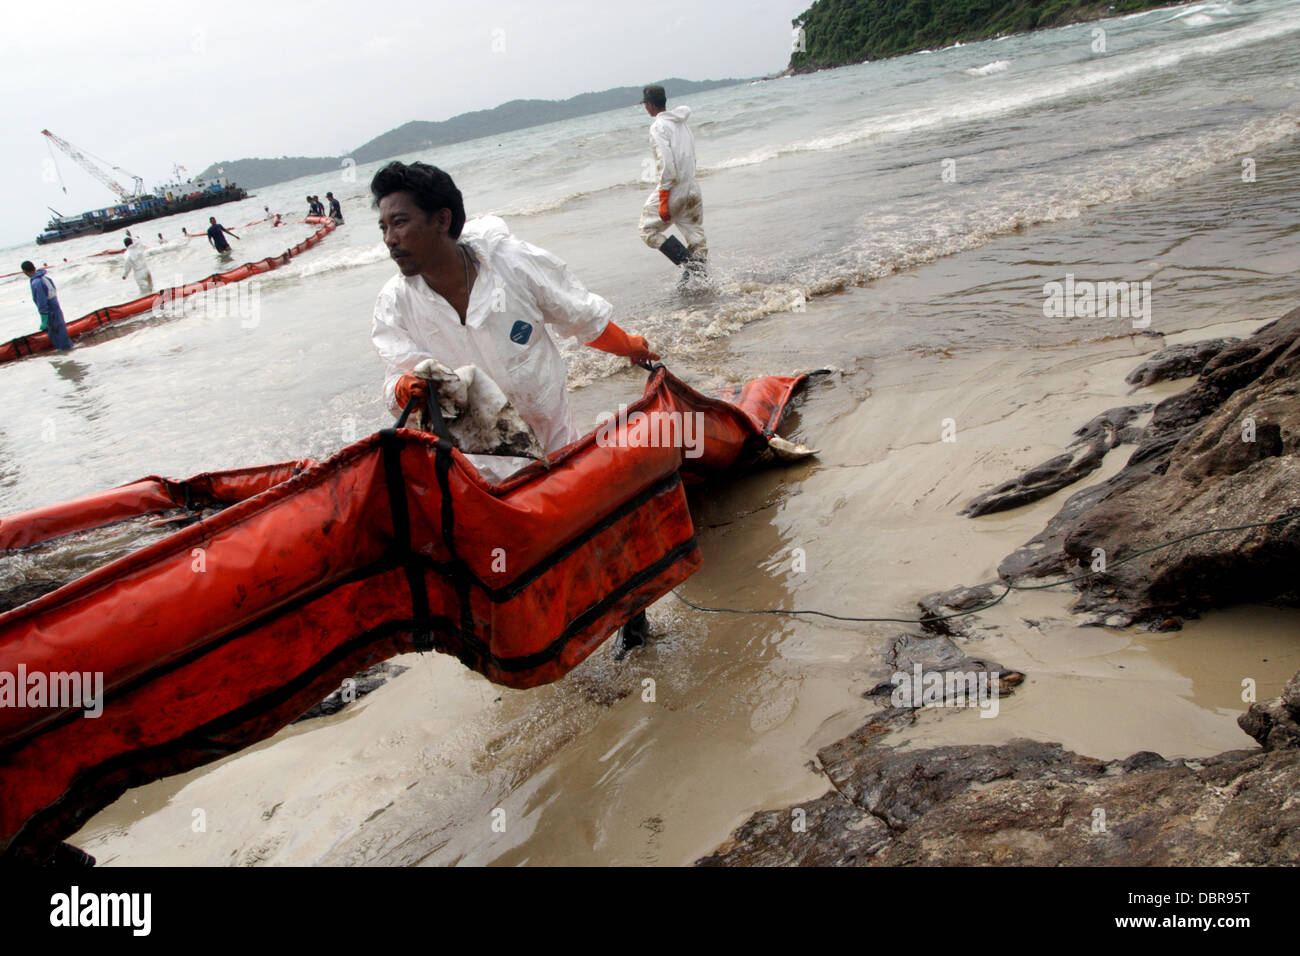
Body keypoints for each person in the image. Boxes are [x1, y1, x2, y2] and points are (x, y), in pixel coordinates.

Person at [369, 160, 659, 657]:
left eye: (399, 222)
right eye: (383, 227)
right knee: (519, 556)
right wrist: (404, 389)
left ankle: (632, 619)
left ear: (441, 219)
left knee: (589, 527)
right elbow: (397, 373)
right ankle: (554, 638)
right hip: (483, 459)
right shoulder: (397, 303)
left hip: (552, 434)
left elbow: (580, 317)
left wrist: (632, 347)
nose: (389, 239)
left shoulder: (512, 264)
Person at [637, 84, 707, 283]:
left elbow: (666, 163)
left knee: (646, 230)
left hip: (674, 190)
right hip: (692, 187)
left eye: (645, 104)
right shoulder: (681, 123)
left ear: (649, 104)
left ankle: (691, 268)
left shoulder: (658, 127)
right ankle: (699, 282)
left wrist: (664, 197)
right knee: (696, 240)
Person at [21, 261, 73, 351]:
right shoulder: (45, 278)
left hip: (50, 313)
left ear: (25, 272)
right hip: (57, 310)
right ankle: (70, 351)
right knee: (62, 335)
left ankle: (66, 355)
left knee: (57, 338)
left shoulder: (36, 283)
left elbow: (42, 301)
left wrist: (44, 319)